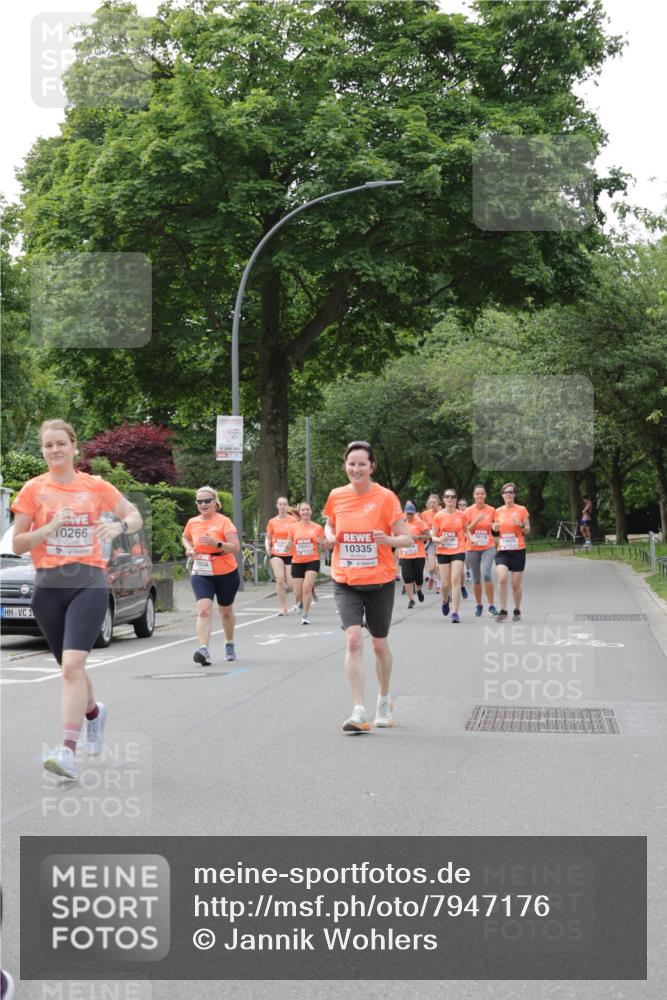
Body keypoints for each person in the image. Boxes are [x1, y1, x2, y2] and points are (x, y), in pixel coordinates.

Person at [11, 419, 143, 780]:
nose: (54, 450)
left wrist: (119, 526)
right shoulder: (33, 489)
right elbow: (18, 543)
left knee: (72, 666)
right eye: (48, 445)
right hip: (48, 589)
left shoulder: (94, 486)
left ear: (74, 447)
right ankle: (93, 714)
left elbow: (133, 515)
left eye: (60, 443)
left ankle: (67, 752)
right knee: (71, 669)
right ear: (43, 450)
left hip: (89, 582)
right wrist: (49, 528)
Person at [323, 441, 411, 732]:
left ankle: (383, 700)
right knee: (353, 640)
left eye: (362, 464)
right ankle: (359, 711)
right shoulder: (336, 495)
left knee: (378, 643)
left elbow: (406, 538)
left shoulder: (385, 497)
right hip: (345, 579)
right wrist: (329, 536)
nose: (356, 469)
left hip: (379, 580)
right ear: (345, 466)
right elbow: (329, 524)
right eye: (351, 464)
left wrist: (388, 540)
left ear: (372, 466)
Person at [182, 486, 240, 665]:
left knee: (226, 611)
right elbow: (185, 537)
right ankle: (203, 649)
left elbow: (235, 547)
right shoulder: (192, 522)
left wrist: (216, 543)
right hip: (201, 571)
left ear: (215, 503)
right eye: (199, 501)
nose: (203, 504)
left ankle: (229, 642)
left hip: (226, 571)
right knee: (204, 610)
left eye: (207, 501)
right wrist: (189, 549)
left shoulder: (224, 522)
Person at [492, 482, 531, 622]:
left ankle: (517, 609)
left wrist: (520, 525)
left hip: (518, 550)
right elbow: (495, 528)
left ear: (514, 494)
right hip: (502, 550)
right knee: (502, 579)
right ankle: (503, 610)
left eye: (511, 492)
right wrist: (494, 527)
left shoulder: (521, 510)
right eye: (506, 492)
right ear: (502, 495)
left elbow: (528, 529)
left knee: (515, 584)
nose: (508, 494)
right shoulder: (498, 511)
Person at [432, 489, 467, 623]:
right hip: (443, 550)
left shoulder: (462, 515)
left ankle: (455, 612)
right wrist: (439, 539)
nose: (450, 498)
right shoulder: (438, 516)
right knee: (446, 584)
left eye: (452, 496)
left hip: (458, 549)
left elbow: (466, 530)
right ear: (443, 499)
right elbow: (433, 537)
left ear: (456, 499)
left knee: (455, 580)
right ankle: (445, 600)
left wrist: (472, 539)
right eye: (447, 496)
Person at [287, 502, 325, 624]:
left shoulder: (317, 527)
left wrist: (321, 543)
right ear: (300, 512)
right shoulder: (293, 527)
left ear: (311, 512)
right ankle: (301, 601)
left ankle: (305, 615)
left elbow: (324, 547)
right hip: (297, 561)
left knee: (306, 588)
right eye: (303, 510)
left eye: (307, 510)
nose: (305, 512)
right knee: (298, 594)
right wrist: (288, 545)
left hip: (312, 560)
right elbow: (288, 545)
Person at [464, 484, 498, 617]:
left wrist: (495, 526)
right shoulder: (468, 511)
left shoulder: (491, 510)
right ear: (473, 496)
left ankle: (491, 605)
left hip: (488, 546)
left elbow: (495, 525)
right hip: (472, 548)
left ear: (485, 495)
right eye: (477, 493)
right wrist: (476, 521)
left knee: (486, 574)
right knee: (476, 578)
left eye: (482, 493)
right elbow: (466, 530)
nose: (479, 496)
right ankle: (479, 605)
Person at [265, 496, 295, 615]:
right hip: (276, 553)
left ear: (287, 506)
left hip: (290, 553)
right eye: (280, 504)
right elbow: (268, 537)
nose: (282, 506)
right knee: (280, 580)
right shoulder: (272, 521)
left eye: (284, 504)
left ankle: (300, 599)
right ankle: (283, 608)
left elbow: (297, 535)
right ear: (277, 506)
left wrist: (291, 543)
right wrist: (267, 547)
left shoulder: (293, 520)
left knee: (291, 583)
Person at [398, 501, 428, 608]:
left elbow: (428, 536)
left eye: (411, 513)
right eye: (408, 513)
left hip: (418, 554)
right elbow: (394, 534)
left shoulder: (420, 522)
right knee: (407, 577)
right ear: (405, 513)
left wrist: (418, 537)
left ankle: (419, 590)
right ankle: (411, 599)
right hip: (404, 555)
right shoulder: (401, 522)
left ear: (414, 513)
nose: (409, 516)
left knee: (418, 577)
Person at [420, 493, 441, 592]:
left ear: (438, 503)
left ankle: (439, 585)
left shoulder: (442, 513)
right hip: (431, 541)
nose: (432, 504)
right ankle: (431, 577)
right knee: (432, 566)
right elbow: (422, 527)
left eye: (434, 502)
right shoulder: (425, 514)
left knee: (438, 566)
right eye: (431, 502)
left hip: (441, 541)